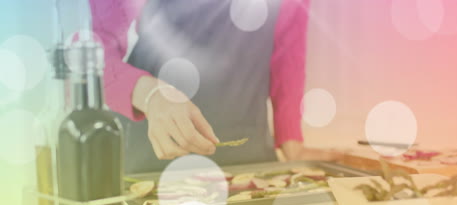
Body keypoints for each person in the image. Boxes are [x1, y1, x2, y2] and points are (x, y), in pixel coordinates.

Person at [90, 0, 336, 173]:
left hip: (250, 164)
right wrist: (151, 95)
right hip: (153, 162)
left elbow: (287, 60)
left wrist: (292, 144)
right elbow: (93, 60)